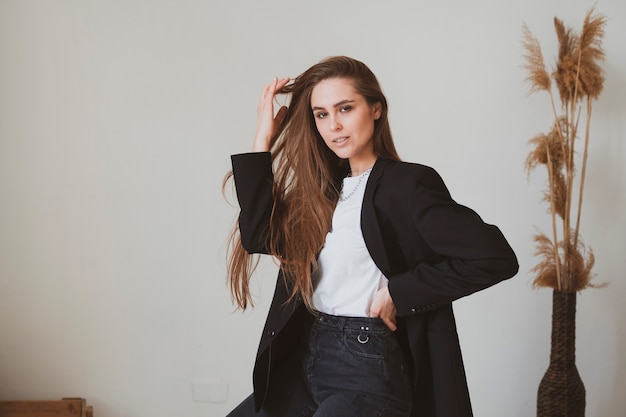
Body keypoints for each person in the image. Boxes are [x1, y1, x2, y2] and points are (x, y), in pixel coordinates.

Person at [224, 56, 518, 417]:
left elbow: (494, 256)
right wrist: (262, 140)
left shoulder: (408, 185)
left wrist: (399, 292)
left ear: (375, 108)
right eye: (321, 114)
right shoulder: (323, 192)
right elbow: (258, 237)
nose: (334, 125)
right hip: (307, 358)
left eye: (345, 108)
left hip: (365, 364)